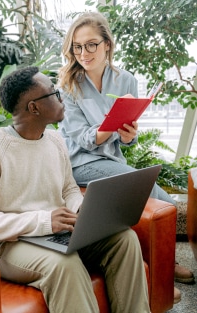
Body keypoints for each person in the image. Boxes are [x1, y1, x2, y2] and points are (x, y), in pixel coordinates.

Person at [0, 66, 151, 313]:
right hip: (8, 244)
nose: (62, 97)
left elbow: (69, 188)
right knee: (64, 264)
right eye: (54, 93)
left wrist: (81, 207)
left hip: (56, 233)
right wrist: (43, 221)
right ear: (34, 107)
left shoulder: (55, 140)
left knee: (124, 239)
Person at [57, 12, 194, 303]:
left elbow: (126, 140)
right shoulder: (67, 85)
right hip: (79, 163)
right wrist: (109, 128)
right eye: (77, 47)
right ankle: (160, 272)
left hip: (111, 161)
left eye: (91, 44)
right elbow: (83, 138)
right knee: (153, 194)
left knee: (162, 201)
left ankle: (163, 264)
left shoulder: (126, 80)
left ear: (107, 44)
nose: (84, 53)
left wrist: (128, 135)